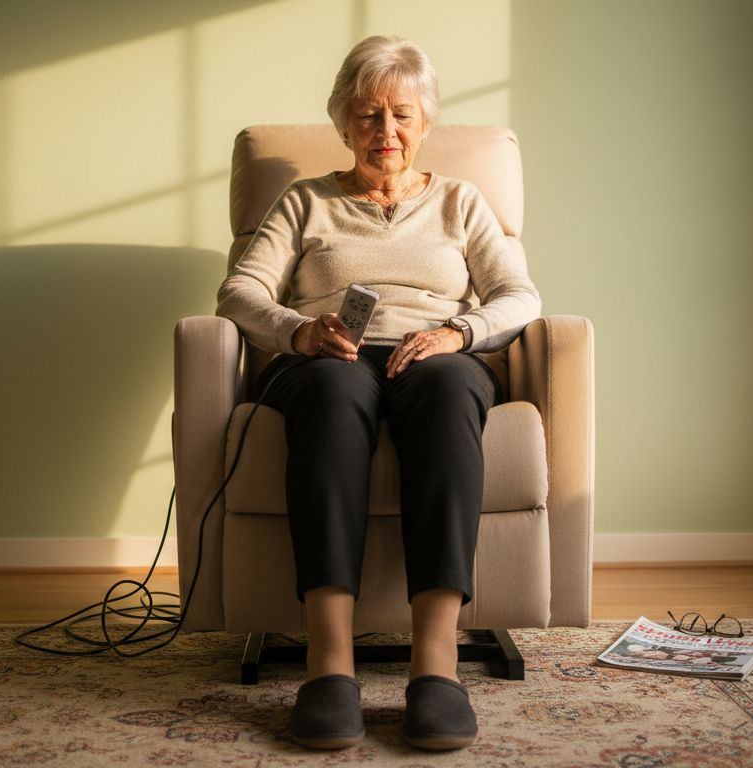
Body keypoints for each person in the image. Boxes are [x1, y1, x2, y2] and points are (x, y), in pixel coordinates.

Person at [216, 35, 541, 751]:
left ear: (425, 125)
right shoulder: (305, 202)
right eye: (367, 116)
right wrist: (297, 332)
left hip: (436, 353)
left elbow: (520, 296)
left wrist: (461, 331)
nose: (384, 132)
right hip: (328, 358)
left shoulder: (461, 202)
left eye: (400, 115)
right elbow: (238, 291)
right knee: (334, 395)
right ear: (343, 124)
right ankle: (328, 666)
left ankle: (437, 667)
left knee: (452, 388)